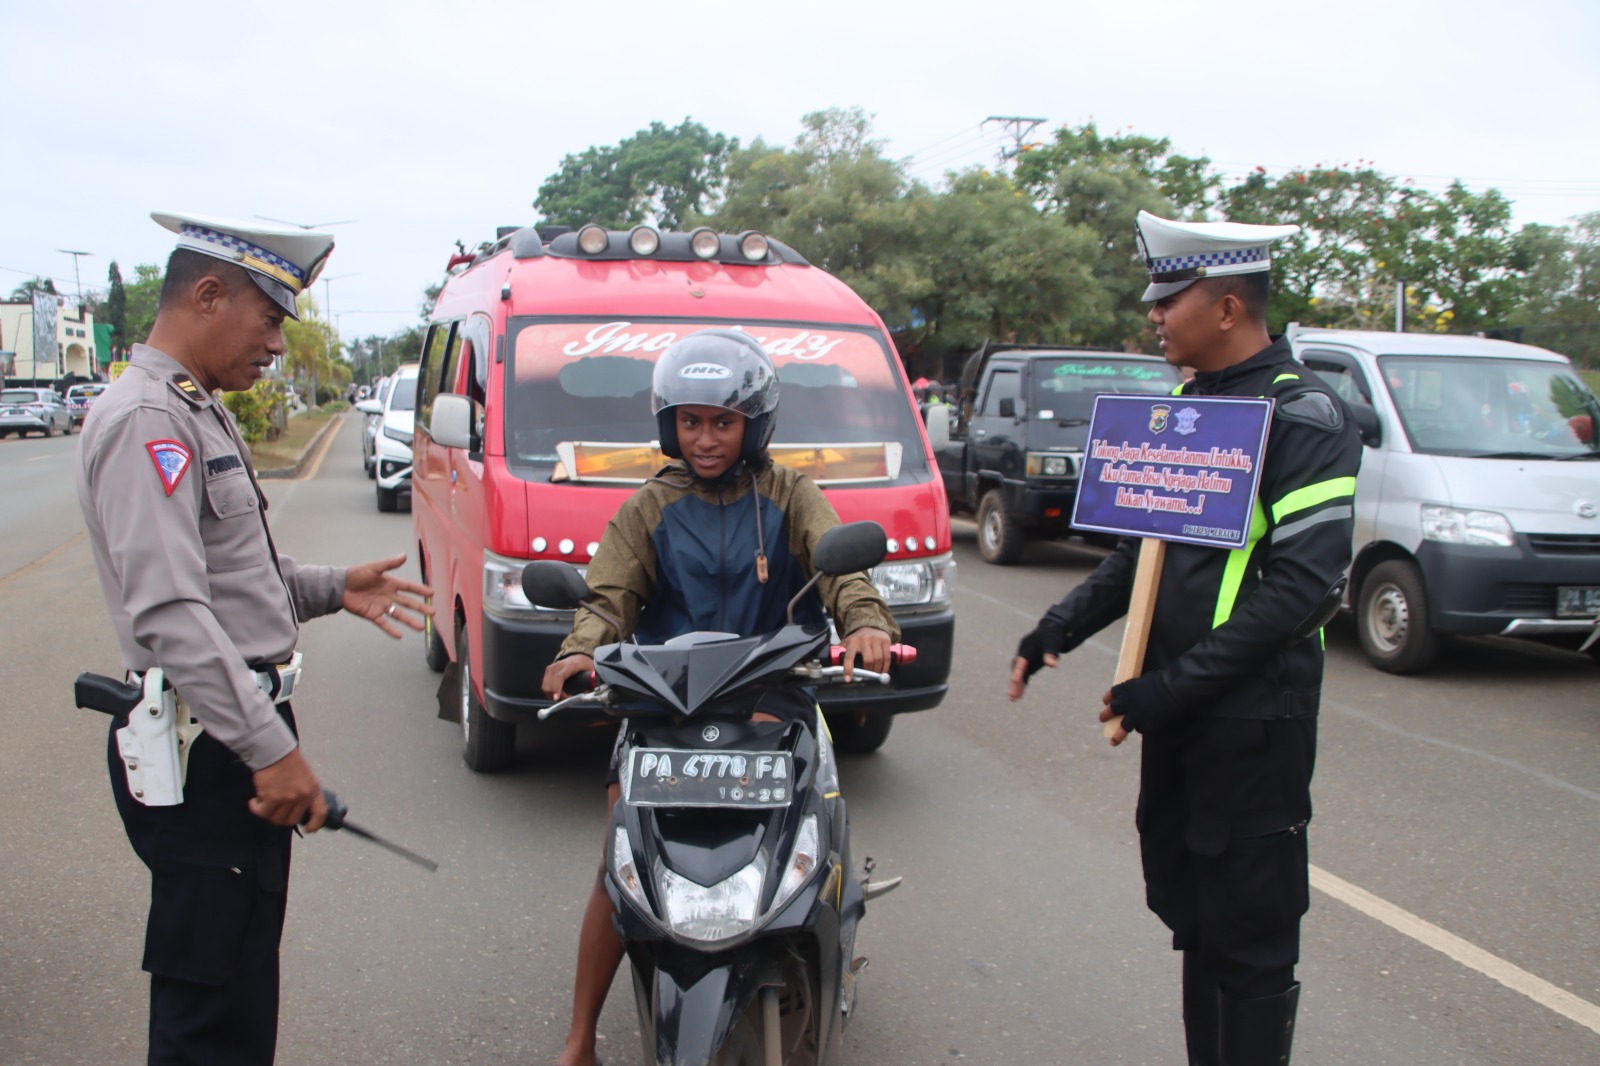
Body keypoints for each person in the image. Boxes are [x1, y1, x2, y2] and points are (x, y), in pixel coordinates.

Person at [75, 212, 435, 1066]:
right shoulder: (148, 420)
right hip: (216, 753)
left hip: (231, 742)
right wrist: (272, 750)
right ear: (207, 295)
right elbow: (169, 613)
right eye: (269, 318)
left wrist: (328, 588)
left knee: (237, 996)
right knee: (211, 1024)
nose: (277, 343)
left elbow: (227, 574)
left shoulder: (195, 406)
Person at [1008, 211, 1361, 1066]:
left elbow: (1303, 591)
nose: (1155, 316)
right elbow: (1144, 552)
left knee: (1251, 940)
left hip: (1250, 726)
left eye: (1171, 300)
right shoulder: (1185, 408)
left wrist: (1171, 687)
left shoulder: (1304, 417)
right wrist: (1058, 625)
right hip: (1182, 721)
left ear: (1230, 306)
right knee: (1196, 920)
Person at [539, 328, 898, 1066]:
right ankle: (578, 1040)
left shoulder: (789, 494)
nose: (706, 438)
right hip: (665, 703)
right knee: (619, 865)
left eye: (723, 422)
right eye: (692, 421)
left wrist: (863, 622)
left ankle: (823, 940)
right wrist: (580, 649)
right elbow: (608, 597)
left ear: (754, 424)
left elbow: (840, 570)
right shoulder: (648, 507)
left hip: (773, 696)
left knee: (810, 835)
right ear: (669, 424)